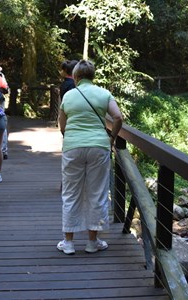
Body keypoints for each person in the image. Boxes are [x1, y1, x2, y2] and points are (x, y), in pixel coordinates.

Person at [57, 59, 123, 255]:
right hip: (98, 146)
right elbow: (118, 117)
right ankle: (92, 242)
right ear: (93, 76)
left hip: (73, 147)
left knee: (70, 193)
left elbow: (62, 126)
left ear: (76, 76)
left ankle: (68, 243)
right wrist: (111, 138)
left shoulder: (68, 95)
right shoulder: (104, 94)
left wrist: (72, 138)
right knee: (97, 193)